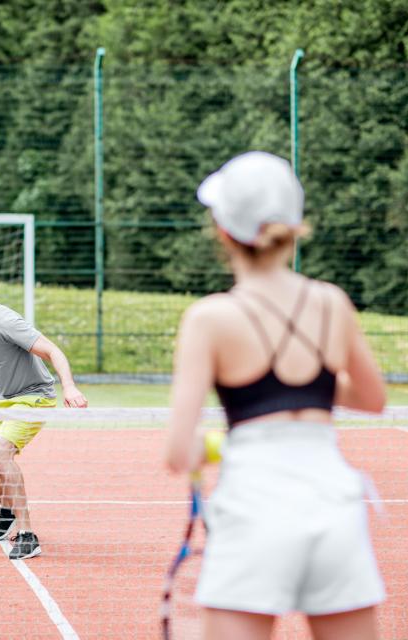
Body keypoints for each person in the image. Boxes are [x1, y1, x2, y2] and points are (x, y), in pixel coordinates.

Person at [165, 151, 388, 640]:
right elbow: (373, 398)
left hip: (252, 508)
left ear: (223, 231)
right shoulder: (333, 302)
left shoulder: (209, 318)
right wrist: (306, 391)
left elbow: (178, 453)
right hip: (335, 507)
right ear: (292, 225)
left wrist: (222, 443)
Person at [0, 258, 87, 560]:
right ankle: (7, 506)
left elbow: (52, 351)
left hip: (34, 396)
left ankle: (27, 534)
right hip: (5, 398)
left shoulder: (6, 321)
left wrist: (69, 386)